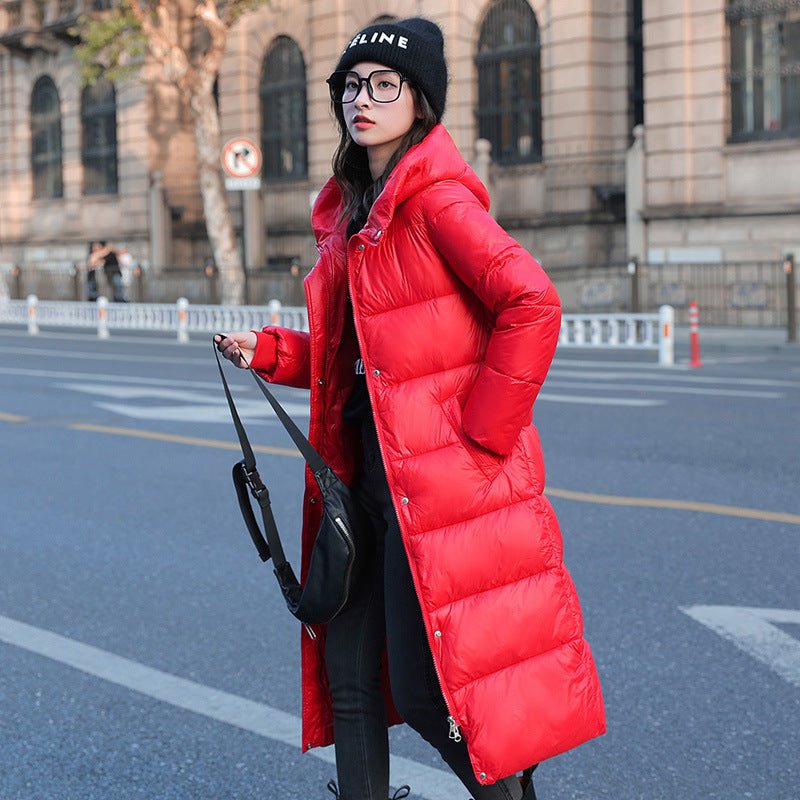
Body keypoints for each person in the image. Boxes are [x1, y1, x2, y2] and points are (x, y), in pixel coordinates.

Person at [216, 17, 604, 800]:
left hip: (431, 484)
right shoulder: (357, 212)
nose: (363, 99)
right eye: (351, 86)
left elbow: (534, 302)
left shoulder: (435, 204)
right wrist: (266, 351)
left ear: (420, 101)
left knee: (432, 694)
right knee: (351, 679)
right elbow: (357, 358)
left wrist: (484, 432)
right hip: (366, 477)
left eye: (383, 85)